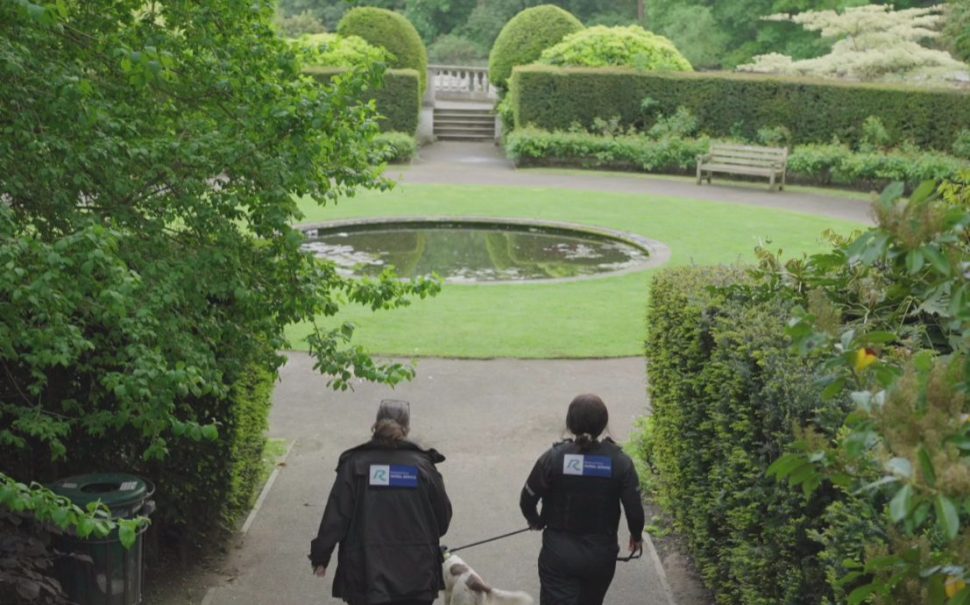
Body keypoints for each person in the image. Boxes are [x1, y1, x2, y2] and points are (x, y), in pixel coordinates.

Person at [309, 399, 452, 605]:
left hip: (365, 575)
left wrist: (321, 557)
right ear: (407, 428)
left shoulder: (354, 466)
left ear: (376, 425)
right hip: (417, 576)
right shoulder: (424, 468)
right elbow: (442, 522)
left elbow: (336, 516)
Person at [519, 393, 645, 605]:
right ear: (603, 424)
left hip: (558, 555)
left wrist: (536, 520)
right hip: (600, 556)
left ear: (570, 423)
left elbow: (527, 499)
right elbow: (634, 508)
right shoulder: (620, 462)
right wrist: (636, 534)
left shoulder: (553, 458)